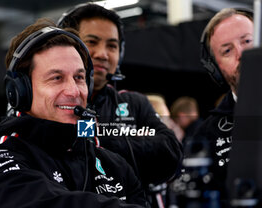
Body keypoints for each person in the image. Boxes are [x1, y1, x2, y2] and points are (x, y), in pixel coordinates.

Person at [0, 18, 169, 208]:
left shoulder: (114, 165)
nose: (74, 91)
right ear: (21, 92)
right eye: (56, 78)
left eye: (79, 78)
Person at [57, 3, 183, 190]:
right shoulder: (52, 104)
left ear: (121, 53)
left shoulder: (135, 104)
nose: (103, 54)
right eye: (92, 42)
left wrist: (99, 139)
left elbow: (171, 153)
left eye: (112, 46)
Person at [192, 8, 254, 185]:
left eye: (248, 41)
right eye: (227, 51)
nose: (241, 55)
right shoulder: (205, 135)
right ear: (216, 70)